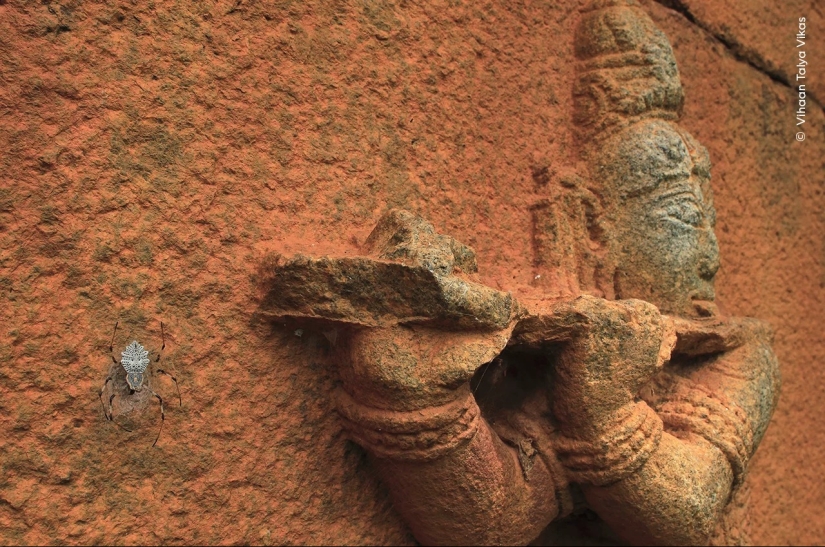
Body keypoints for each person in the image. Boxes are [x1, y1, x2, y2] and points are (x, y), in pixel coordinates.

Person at [333, 2, 779, 545]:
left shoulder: (737, 356)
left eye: (710, 220)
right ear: (594, 226)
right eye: (684, 218)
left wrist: (600, 405)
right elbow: (491, 524)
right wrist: (413, 395)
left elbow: (688, 511)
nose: (711, 253)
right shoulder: (571, 352)